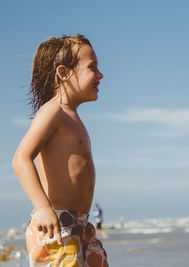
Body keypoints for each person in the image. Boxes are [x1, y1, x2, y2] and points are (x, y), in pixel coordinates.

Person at [12, 34, 108, 266]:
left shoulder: (73, 118)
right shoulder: (53, 112)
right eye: (92, 67)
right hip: (57, 223)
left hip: (81, 224)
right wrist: (43, 209)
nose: (100, 75)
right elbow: (21, 159)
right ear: (64, 73)